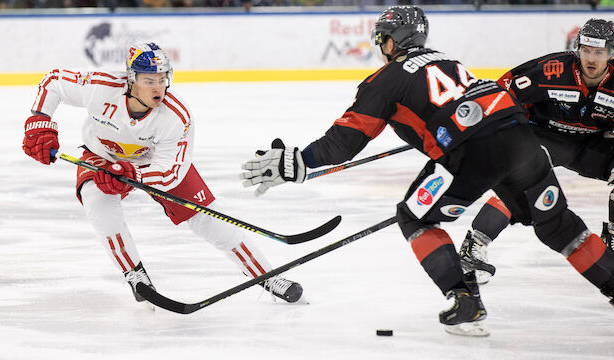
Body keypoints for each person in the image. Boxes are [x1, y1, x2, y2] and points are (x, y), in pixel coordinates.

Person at [240, 6, 614, 336]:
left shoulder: (385, 80)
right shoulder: (448, 61)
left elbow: (344, 142)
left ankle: (464, 297)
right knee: (559, 226)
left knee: (413, 217)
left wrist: (297, 162)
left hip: (472, 153)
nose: (380, 46)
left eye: (382, 39)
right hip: (521, 138)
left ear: (392, 41)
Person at [22, 42, 304, 306]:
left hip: (152, 165)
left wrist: (133, 175)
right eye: (149, 80)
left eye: (162, 79)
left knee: (211, 222)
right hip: (100, 157)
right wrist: (39, 119)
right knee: (100, 208)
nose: (158, 88)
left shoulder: (176, 116)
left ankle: (268, 277)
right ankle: (135, 274)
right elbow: (54, 80)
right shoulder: (101, 86)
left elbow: (170, 171)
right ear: (131, 79)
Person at [457, 18, 614, 285]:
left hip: (593, 145)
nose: (591, 58)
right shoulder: (552, 70)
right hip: (545, 136)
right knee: (524, 178)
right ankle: (475, 244)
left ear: (611, 54)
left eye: (598, 52)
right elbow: (501, 90)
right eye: (586, 50)